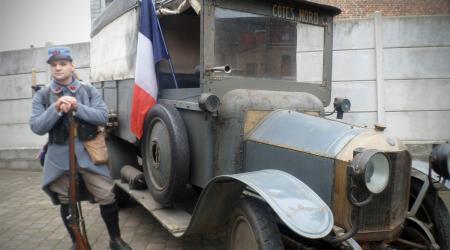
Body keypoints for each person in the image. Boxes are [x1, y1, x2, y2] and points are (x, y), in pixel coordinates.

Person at [30, 47, 132, 250]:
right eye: (54, 65)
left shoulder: (88, 90)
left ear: (72, 65)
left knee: (107, 194)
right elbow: (37, 127)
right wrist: (56, 108)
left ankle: (115, 239)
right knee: (65, 200)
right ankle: (77, 241)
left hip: (89, 152)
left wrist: (77, 106)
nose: (58, 68)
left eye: (63, 64)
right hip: (58, 155)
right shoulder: (42, 95)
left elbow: (102, 117)